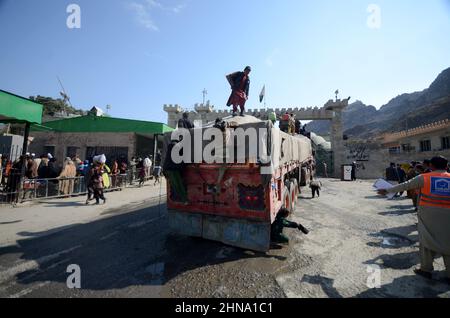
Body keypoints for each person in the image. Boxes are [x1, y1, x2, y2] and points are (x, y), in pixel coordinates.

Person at [378, 156, 450, 284]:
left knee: (427, 239)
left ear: (431, 166)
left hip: (428, 213)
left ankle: (426, 269)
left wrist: (387, 190)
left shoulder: (424, 177)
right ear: (446, 166)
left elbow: (405, 185)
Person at [163, 140, 188, 204]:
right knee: (179, 185)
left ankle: (174, 198)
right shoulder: (179, 147)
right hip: (174, 169)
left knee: (173, 184)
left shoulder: (169, 147)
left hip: (167, 169)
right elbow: (184, 159)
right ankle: (183, 200)